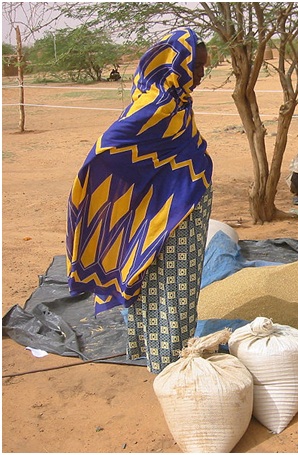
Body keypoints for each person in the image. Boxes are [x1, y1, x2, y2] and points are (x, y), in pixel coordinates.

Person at [66, 29, 213, 374]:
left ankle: (162, 355)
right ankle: (170, 363)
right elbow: (113, 144)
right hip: (173, 212)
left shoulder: (175, 101)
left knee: (162, 281)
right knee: (173, 286)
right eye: (199, 66)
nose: (203, 74)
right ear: (177, 65)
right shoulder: (157, 105)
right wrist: (98, 188)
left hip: (178, 207)